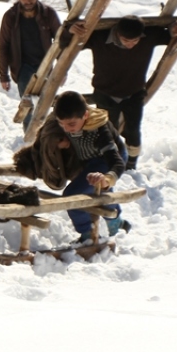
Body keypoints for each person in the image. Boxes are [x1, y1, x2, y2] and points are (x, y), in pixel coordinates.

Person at [68, 14, 177, 169]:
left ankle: (131, 163)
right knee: (107, 130)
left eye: (135, 41)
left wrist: (174, 27)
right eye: (126, 40)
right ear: (117, 33)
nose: (131, 44)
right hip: (105, 92)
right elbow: (68, 43)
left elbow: (168, 34)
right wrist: (70, 30)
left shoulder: (147, 36)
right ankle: (110, 162)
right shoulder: (100, 37)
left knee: (134, 130)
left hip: (134, 92)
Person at [39, 91, 129, 243]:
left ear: (85, 116)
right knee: (94, 187)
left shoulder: (100, 132)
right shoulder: (66, 120)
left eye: (71, 125)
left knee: (73, 195)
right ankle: (116, 221)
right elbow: (48, 133)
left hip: (108, 160)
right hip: (88, 161)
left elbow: (116, 162)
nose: (66, 129)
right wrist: (57, 141)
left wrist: (107, 178)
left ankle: (87, 233)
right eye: (62, 124)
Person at [0, 0, 61, 127]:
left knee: (46, 103)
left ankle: (45, 136)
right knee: (28, 104)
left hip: (45, 65)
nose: (28, 0)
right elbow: (3, 46)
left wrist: (61, 70)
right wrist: (3, 75)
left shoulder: (47, 14)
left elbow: (60, 41)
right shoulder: (11, 17)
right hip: (22, 67)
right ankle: (30, 140)